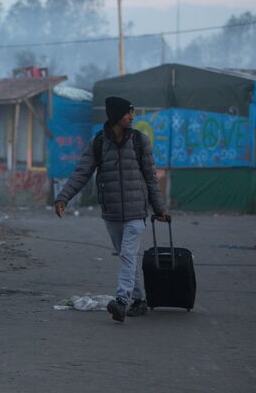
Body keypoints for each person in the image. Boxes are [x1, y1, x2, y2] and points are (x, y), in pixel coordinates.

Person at [55, 96, 171, 323]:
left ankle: (121, 301)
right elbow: (82, 173)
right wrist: (63, 197)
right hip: (112, 213)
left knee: (128, 254)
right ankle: (139, 300)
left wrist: (159, 208)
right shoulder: (98, 143)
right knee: (126, 257)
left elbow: (150, 177)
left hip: (137, 211)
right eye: (128, 113)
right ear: (117, 115)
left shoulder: (139, 141)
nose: (132, 117)